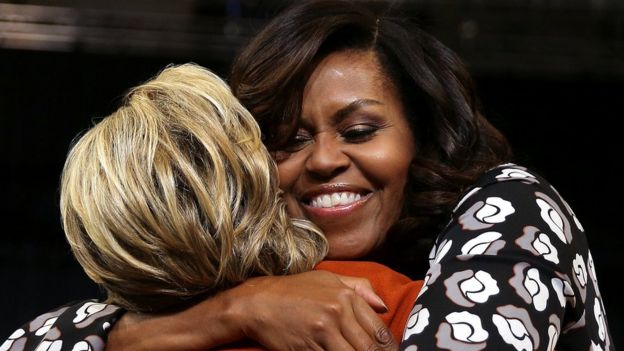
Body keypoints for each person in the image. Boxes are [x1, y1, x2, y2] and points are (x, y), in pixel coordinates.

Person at [3, 0, 614, 350]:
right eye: (288, 141)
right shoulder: (276, 291)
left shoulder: (511, 207)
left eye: (359, 131)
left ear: (422, 138)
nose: (322, 160)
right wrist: (239, 310)